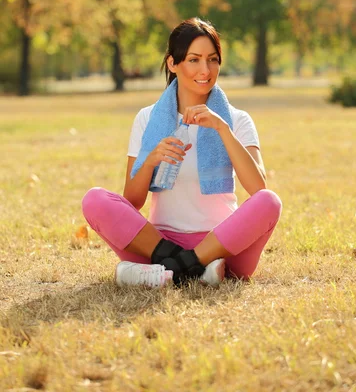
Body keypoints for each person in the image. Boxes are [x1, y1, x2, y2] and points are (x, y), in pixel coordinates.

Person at [82, 18, 282, 287]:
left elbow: (259, 189)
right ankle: (192, 268)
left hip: (223, 244)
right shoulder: (147, 119)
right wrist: (152, 158)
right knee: (94, 199)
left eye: (212, 59)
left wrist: (222, 129)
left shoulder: (236, 120)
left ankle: (164, 271)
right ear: (173, 64)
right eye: (194, 59)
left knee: (270, 202)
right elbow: (132, 200)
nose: (205, 69)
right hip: (157, 243)